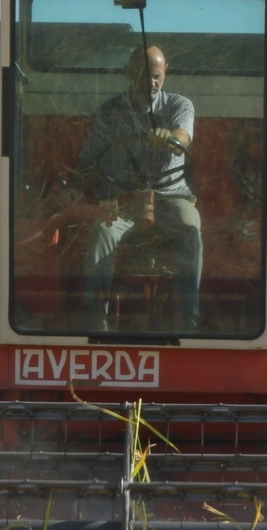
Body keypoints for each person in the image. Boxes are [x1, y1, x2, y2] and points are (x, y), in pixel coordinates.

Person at [78, 45, 201, 332]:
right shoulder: (108, 113)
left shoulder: (179, 105)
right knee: (102, 232)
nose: (151, 83)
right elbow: (87, 158)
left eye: (157, 76)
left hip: (171, 196)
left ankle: (189, 314)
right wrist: (83, 189)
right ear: (127, 74)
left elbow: (184, 135)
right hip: (123, 199)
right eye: (143, 76)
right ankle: (95, 317)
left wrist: (170, 137)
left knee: (190, 226)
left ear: (165, 71)